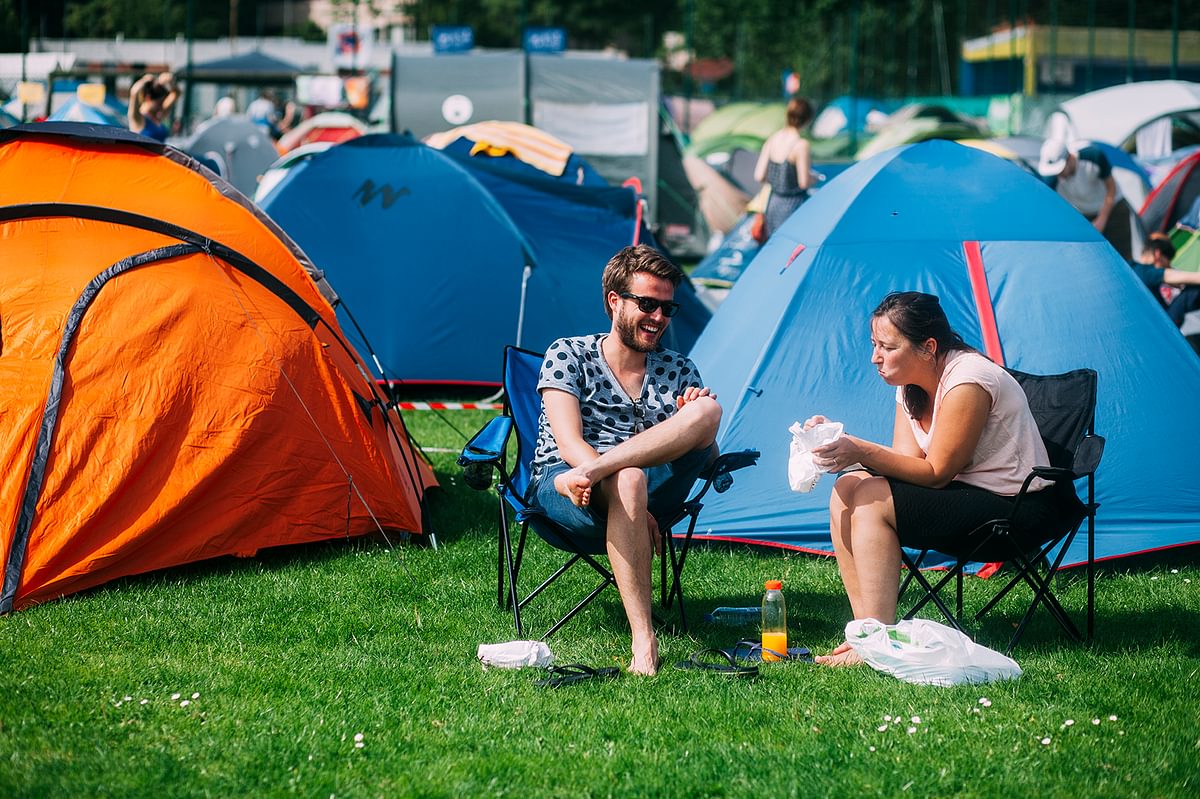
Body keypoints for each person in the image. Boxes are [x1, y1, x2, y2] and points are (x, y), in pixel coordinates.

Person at [803, 292, 1082, 667]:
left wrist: (862, 450)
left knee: (870, 494)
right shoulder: (910, 386)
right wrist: (839, 444)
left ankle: (877, 643)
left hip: (1017, 510)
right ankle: (865, 634)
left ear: (928, 347)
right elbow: (907, 462)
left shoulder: (968, 380)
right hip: (967, 498)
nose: (875, 358)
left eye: (887, 346)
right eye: (874, 345)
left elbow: (936, 473)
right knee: (847, 486)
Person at [531, 244, 722, 675]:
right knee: (629, 479)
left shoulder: (679, 368)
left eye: (668, 308)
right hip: (569, 482)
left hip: (635, 483)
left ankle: (617, 481)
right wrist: (615, 487)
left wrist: (690, 418)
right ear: (614, 301)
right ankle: (644, 639)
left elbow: (707, 459)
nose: (659, 318)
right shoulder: (569, 354)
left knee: (707, 411)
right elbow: (567, 443)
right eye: (648, 304)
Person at [1038, 138, 1133, 256]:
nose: (1059, 175)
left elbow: (1111, 188)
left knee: (1123, 256)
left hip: (1114, 209)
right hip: (1086, 216)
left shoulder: (1093, 156)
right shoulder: (1051, 180)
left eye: (1060, 170)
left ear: (1069, 159)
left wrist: (1102, 219)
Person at [753, 95, 814, 240]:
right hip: (793, 206)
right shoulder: (800, 145)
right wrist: (815, 178)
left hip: (773, 204)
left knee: (774, 249)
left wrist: (777, 178)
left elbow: (759, 175)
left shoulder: (773, 139)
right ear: (807, 119)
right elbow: (803, 182)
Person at [128, 72, 178, 142]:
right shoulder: (137, 118)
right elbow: (134, 92)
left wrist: (170, 82)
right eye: (159, 103)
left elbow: (176, 94)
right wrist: (145, 80)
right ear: (148, 98)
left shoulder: (158, 116)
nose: (162, 106)